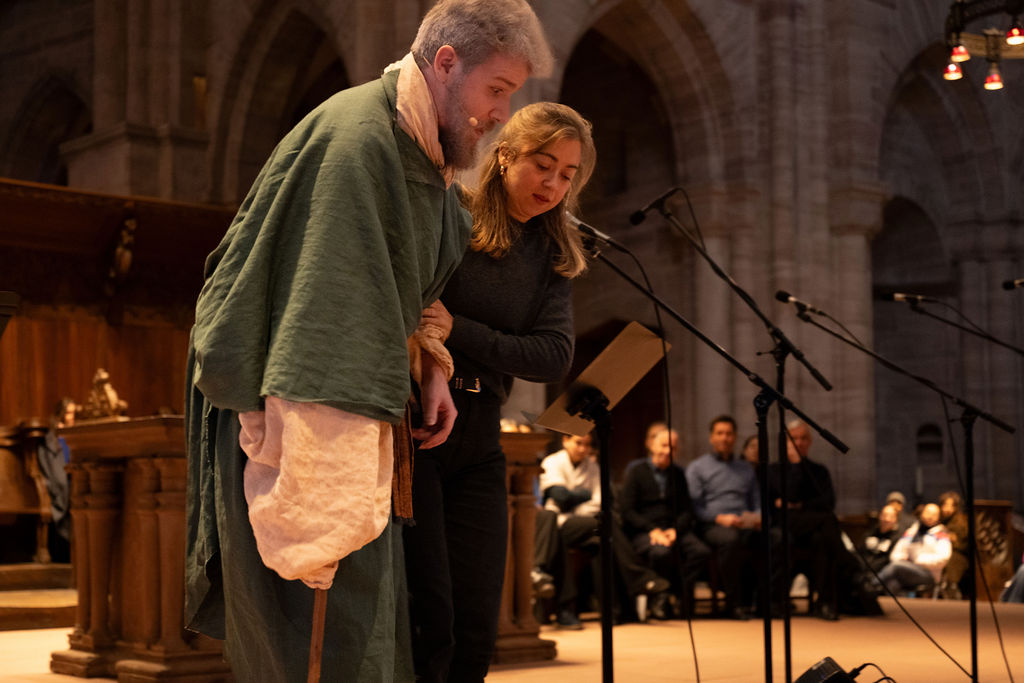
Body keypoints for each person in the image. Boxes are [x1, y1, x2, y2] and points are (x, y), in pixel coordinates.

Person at [183, 2, 553, 680]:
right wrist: (321, 503)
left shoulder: (424, 156)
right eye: (496, 89)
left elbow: (407, 292)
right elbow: (325, 321)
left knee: (372, 629)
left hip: (357, 406)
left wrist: (433, 367)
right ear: (446, 63)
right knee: (323, 630)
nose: (503, 113)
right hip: (305, 420)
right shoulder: (360, 143)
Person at [403, 100, 595, 681]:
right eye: (544, 164)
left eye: (567, 175)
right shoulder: (451, 214)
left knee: (477, 618)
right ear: (505, 154)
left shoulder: (554, 255)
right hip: (417, 425)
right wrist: (452, 338)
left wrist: (461, 329)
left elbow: (553, 356)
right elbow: (412, 307)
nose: (553, 184)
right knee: (430, 612)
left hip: (483, 430)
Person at [536, 432, 670, 627]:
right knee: (604, 524)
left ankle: (611, 611)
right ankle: (640, 577)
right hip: (559, 525)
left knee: (601, 543)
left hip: (585, 526)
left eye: (587, 445)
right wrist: (583, 497)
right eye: (578, 443)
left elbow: (598, 503)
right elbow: (559, 496)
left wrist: (576, 500)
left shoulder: (594, 467)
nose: (583, 449)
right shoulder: (552, 462)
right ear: (565, 441)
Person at [620, 425, 709, 620]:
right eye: (663, 445)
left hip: (672, 529)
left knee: (700, 552)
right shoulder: (636, 471)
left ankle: (679, 594)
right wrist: (652, 530)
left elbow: (686, 509)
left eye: (673, 448)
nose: (668, 451)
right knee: (661, 553)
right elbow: (627, 510)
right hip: (645, 531)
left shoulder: (678, 474)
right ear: (652, 445)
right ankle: (659, 599)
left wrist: (675, 530)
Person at [685, 415, 764, 619]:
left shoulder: (745, 467)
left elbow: (756, 500)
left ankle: (768, 603)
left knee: (777, 538)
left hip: (744, 523)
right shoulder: (698, 467)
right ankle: (733, 604)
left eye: (729, 434)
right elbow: (694, 506)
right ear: (711, 437)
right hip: (712, 525)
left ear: (735, 437)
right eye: (720, 433)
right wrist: (720, 518)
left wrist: (757, 517)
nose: (725, 438)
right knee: (730, 539)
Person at [768, 419, 843, 620]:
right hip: (784, 523)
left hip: (812, 526)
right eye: (795, 439)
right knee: (827, 521)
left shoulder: (819, 471)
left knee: (822, 538)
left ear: (810, 442)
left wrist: (798, 505)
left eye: (803, 439)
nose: (799, 443)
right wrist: (796, 466)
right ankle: (846, 562)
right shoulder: (774, 471)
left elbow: (828, 501)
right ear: (786, 442)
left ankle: (824, 602)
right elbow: (786, 497)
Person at [876, 503, 952, 596]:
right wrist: (901, 558)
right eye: (928, 512)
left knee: (896, 566)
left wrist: (916, 561)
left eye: (934, 514)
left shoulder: (941, 534)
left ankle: (872, 583)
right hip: (906, 569)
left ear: (938, 517)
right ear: (922, 513)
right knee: (892, 584)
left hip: (929, 574)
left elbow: (943, 558)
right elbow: (895, 553)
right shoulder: (912, 531)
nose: (930, 517)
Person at [937, 490, 968, 599]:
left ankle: (951, 591)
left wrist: (952, 540)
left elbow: (965, 545)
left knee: (951, 566)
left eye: (951, 506)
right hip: (937, 552)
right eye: (945, 505)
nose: (948, 509)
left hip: (957, 555)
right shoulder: (938, 519)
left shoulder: (962, 522)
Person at [859, 503, 901, 575]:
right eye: (884, 515)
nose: (886, 519)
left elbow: (888, 560)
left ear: (895, 519)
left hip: (880, 574)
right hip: (862, 569)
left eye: (891, 516)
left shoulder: (897, 537)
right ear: (879, 516)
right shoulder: (871, 532)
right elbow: (860, 550)